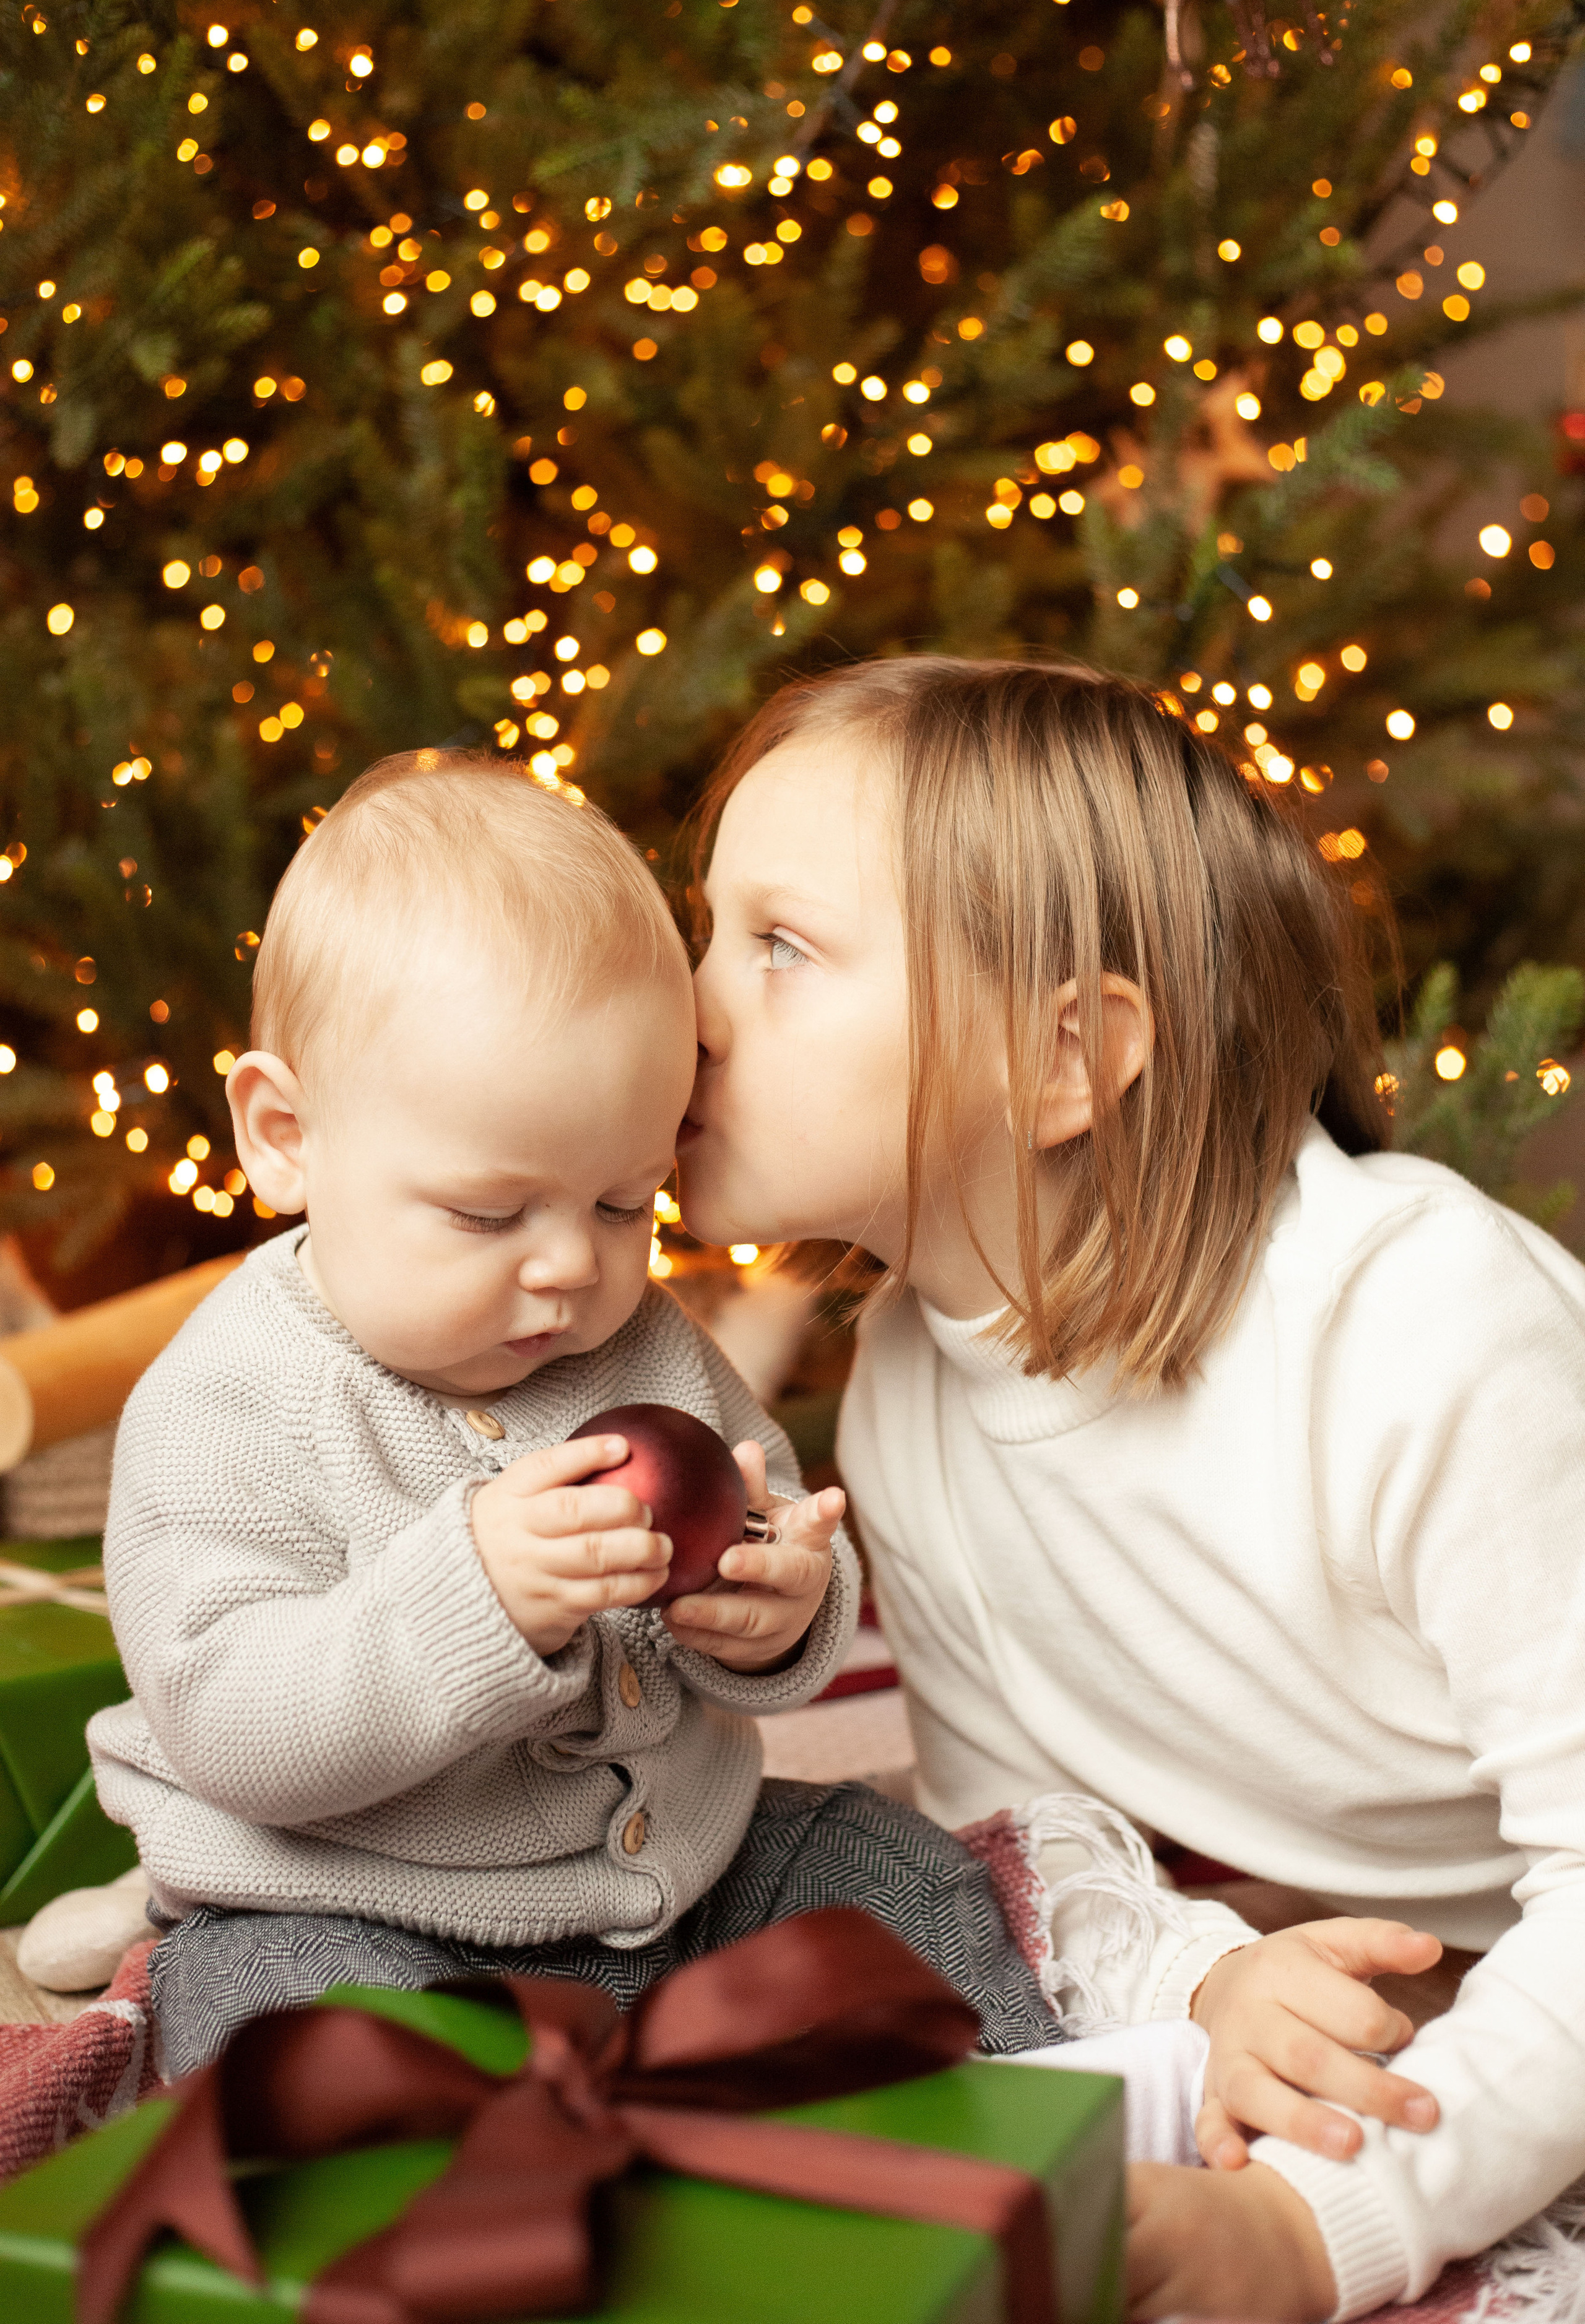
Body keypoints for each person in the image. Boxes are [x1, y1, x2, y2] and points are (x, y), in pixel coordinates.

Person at [678, 656, 1585, 2321]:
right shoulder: (904, 1392)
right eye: (706, 930)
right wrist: (1212, 1979)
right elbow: (1023, 1843)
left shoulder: (1425, 1333)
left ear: (1063, 1061)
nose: (688, 1008)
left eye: (781, 947)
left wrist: (1330, 2224)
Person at [87, 749, 1060, 2079]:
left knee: (888, 1864)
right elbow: (231, 1726)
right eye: (490, 1215)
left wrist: (773, 1609)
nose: (569, 1267)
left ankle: (1049, 2120)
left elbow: (759, 1509)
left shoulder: (642, 1341)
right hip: (354, 1902)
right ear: (284, 1134)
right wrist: (468, 1601)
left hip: (682, 1884)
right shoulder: (226, 1402)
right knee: (280, 2018)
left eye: (622, 1204)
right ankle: (513, 2194)